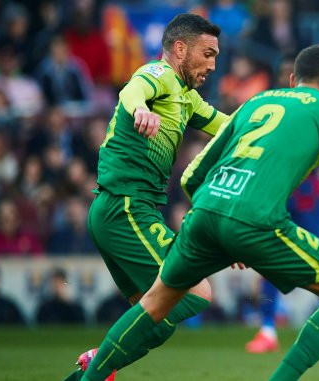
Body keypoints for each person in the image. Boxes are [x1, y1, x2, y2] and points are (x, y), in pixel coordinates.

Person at [79, 45, 319, 381]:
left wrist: (215, 221)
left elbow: (191, 174)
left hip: (204, 213)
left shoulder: (256, 102)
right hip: (255, 219)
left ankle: (92, 372)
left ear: (291, 79)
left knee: (153, 304)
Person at [64, 13, 230, 381]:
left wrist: (270, 127)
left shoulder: (186, 97)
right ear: (180, 48)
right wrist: (140, 108)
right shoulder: (159, 76)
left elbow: (227, 126)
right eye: (208, 54)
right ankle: (101, 359)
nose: (213, 65)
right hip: (126, 207)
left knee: (156, 318)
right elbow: (132, 89)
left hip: (121, 209)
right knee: (196, 292)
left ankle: (91, 371)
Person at [245, 171, 319, 353]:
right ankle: (267, 331)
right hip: (279, 194)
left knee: (318, 259)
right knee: (270, 260)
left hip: (306, 197)